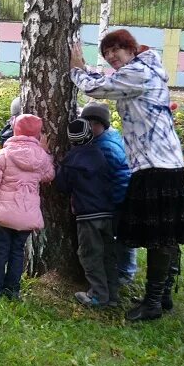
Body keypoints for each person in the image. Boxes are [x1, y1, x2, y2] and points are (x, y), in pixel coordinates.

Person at [70, 29, 184, 321]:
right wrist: (87, 69)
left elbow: (96, 89)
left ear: (131, 49)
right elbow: (106, 80)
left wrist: (75, 70)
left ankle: (153, 302)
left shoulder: (137, 73)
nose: (112, 56)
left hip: (156, 164)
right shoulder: (143, 68)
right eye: (107, 52)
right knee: (164, 234)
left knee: (160, 236)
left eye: (117, 50)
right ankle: (161, 296)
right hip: (161, 162)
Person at [0, 114, 55, 299]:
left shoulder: (3, 155)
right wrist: (46, 153)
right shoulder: (42, 159)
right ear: (38, 134)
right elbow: (49, 176)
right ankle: (12, 290)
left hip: (4, 213)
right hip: (27, 214)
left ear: (15, 130)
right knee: (17, 251)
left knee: (1, 249)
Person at [55, 119, 118, 307]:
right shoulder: (100, 154)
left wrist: (59, 167)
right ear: (89, 135)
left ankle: (98, 296)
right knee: (108, 254)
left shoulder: (69, 162)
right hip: (107, 212)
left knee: (90, 255)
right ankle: (112, 294)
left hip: (87, 215)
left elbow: (62, 186)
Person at [79, 101, 135, 285]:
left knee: (121, 238)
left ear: (100, 125)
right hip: (113, 200)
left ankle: (126, 272)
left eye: (92, 124)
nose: (89, 128)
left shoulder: (107, 148)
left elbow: (121, 176)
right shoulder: (104, 141)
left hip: (118, 201)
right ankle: (121, 271)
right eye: (86, 124)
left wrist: (117, 201)